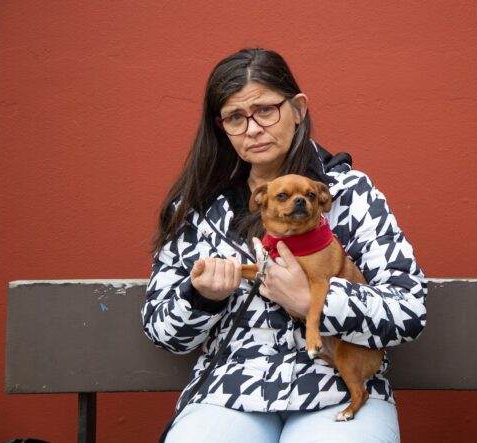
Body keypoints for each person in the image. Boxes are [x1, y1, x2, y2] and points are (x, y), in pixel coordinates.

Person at [141, 48, 427, 443]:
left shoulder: (351, 194)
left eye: (266, 110)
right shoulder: (198, 208)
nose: (253, 128)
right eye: (236, 117)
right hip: (231, 388)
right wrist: (201, 297)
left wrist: (317, 303)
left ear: (298, 109)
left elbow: (408, 309)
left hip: (336, 384)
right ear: (221, 126)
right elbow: (162, 332)